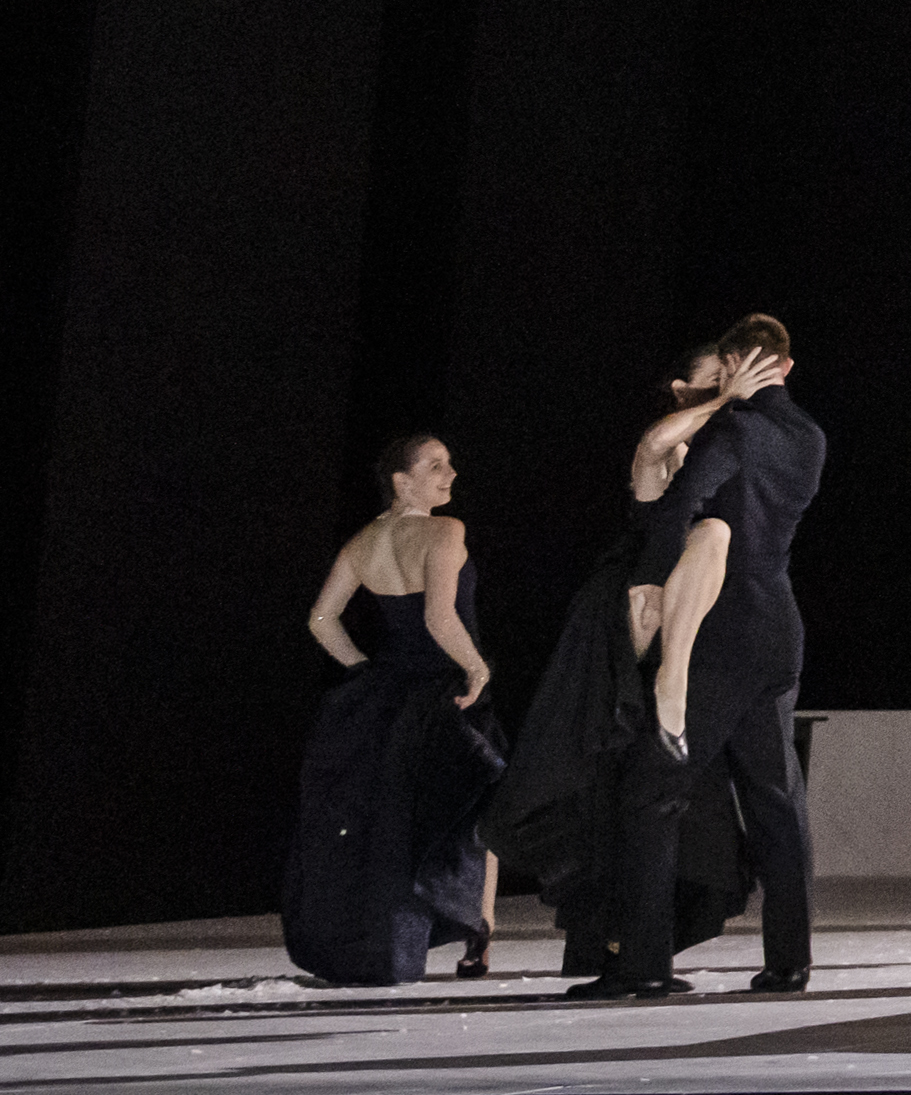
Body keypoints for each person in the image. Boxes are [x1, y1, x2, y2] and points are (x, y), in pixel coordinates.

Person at [492, 356, 779, 992]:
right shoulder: (666, 449)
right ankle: (624, 947)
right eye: (711, 373)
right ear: (683, 388)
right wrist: (723, 400)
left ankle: (642, 948)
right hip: (630, 624)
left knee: (674, 794)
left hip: (685, 629)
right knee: (615, 781)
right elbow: (653, 445)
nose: (724, 380)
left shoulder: (719, 458)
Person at [601, 314, 827, 1000]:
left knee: (653, 788)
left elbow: (683, 509)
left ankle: (642, 963)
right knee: (777, 800)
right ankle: (789, 960)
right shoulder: (809, 436)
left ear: (732, 365)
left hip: (719, 628)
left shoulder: (730, 430)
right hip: (778, 624)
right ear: (786, 368)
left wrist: (647, 583)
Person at [284, 432, 505, 983]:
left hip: (391, 694)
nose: (450, 474)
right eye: (435, 466)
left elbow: (320, 620)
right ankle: (480, 930)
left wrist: (364, 671)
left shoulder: (362, 542)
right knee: (477, 803)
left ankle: (415, 934)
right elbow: (439, 618)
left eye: (450, 464)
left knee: (402, 818)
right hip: (449, 688)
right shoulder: (444, 530)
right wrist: (477, 669)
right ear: (401, 481)